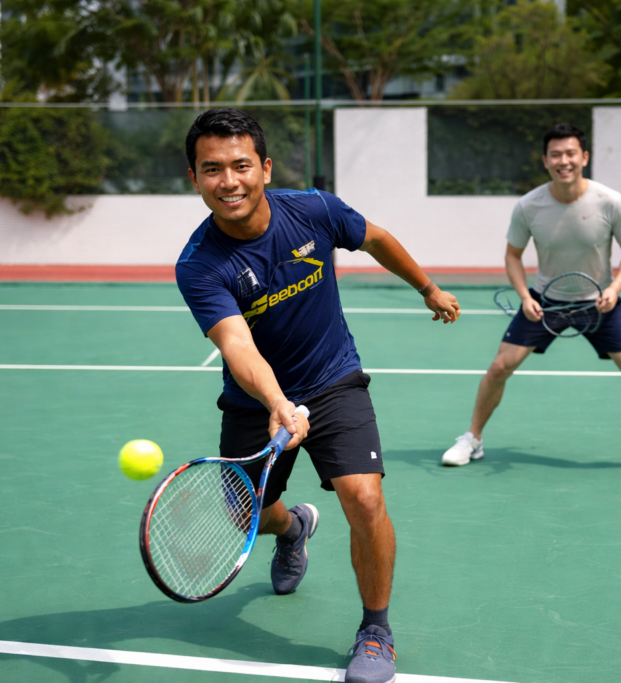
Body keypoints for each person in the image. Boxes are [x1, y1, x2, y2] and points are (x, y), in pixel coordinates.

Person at [176, 108, 461, 683]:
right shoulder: (199, 265)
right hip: (256, 400)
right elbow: (237, 344)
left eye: (240, 165)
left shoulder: (314, 210)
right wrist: (276, 401)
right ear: (195, 178)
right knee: (246, 516)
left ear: (265, 167)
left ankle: (375, 632)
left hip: (334, 378)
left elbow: (376, 238)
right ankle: (293, 529)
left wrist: (428, 287)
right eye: (212, 169)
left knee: (365, 499)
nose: (228, 181)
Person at [440, 123, 621, 475]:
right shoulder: (529, 206)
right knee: (500, 367)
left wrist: (615, 287)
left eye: (571, 153)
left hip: (599, 303)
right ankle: (472, 439)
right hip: (545, 304)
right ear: (545, 161)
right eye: (556, 155)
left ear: (585, 157)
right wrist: (524, 297)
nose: (564, 161)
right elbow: (512, 256)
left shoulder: (610, 201)